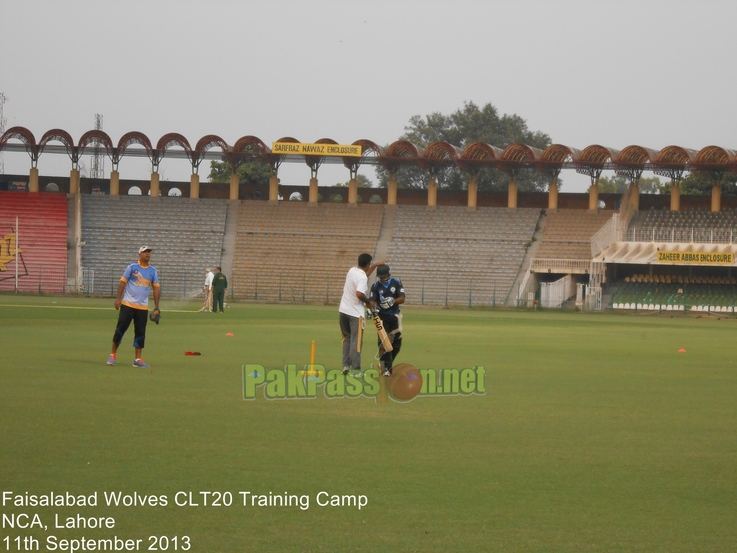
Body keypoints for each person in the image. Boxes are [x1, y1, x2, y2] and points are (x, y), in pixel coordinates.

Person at [107, 246, 160, 368]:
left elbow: (156, 288)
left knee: (140, 333)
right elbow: (123, 282)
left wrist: (156, 307)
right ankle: (113, 354)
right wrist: (118, 298)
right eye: (145, 252)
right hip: (128, 305)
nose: (148, 254)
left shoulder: (153, 270)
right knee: (121, 329)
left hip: (142, 307)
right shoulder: (132, 267)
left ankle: (137, 359)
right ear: (139, 254)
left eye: (149, 252)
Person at [338, 253, 383, 375]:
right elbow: (359, 293)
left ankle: (346, 366)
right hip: (355, 314)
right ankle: (356, 368)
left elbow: (364, 275)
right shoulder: (362, 278)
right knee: (356, 341)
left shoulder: (352, 271)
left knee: (347, 339)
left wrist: (374, 266)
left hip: (343, 311)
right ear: (367, 264)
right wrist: (368, 302)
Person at [368, 264, 405, 376]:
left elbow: (402, 298)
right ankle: (386, 369)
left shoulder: (397, 282)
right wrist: (371, 309)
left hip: (395, 316)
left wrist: (393, 301)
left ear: (389, 273)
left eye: (384, 276)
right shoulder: (375, 286)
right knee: (384, 342)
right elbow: (372, 301)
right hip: (382, 317)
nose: (382, 278)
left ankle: (386, 365)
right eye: (381, 276)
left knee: (396, 344)